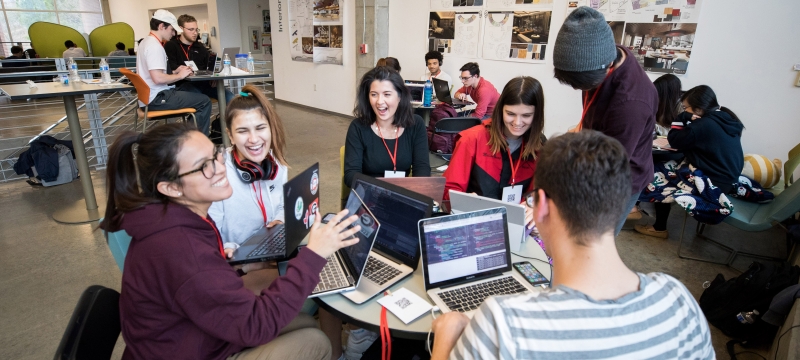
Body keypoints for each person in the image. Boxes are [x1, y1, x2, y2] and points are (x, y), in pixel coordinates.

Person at [429, 130, 715, 360]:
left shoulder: (503, 324)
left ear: (539, 206)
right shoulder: (680, 301)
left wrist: (446, 336)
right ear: (622, 206)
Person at [99, 122, 362, 360]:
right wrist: (314, 254)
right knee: (315, 342)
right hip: (193, 349)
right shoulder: (180, 247)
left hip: (194, 337)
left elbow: (204, 284)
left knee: (305, 322)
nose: (221, 168)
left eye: (216, 155)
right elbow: (255, 325)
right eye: (204, 166)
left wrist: (241, 268)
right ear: (171, 187)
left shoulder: (175, 218)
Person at [552, 6, 657, 235]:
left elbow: (609, 167)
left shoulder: (631, 105)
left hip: (621, 175)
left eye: (583, 85)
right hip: (601, 151)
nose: (578, 90)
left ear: (606, 68)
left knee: (596, 237)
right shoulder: (605, 53)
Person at [635, 85, 744, 238]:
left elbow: (674, 140)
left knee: (657, 173)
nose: (685, 111)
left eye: (686, 108)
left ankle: (658, 227)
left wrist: (682, 117)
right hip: (728, 179)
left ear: (698, 109)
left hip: (713, 183)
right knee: (669, 166)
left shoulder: (702, 125)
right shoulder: (726, 118)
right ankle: (639, 210)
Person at [444, 76, 544, 210]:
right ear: (500, 109)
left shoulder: (542, 148)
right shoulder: (471, 139)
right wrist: (464, 200)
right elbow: (448, 191)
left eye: (526, 116)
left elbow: (540, 195)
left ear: (536, 115)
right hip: (476, 220)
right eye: (510, 114)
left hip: (519, 225)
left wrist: (535, 210)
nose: (517, 123)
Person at [208, 85, 287, 250]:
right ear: (230, 136)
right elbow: (209, 233)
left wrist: (279, 220)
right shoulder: (218, 173)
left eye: (260, 128)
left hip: (272, 250)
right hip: (236, 260)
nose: (253, 139)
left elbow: (282, 204)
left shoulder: (276, 163)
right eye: (243, 131)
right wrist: (227, 248)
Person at [344, 66, 430, 186]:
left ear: (399, 97)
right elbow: (351, 174)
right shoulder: (358, 127)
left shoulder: (415, 124)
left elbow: (422, 169)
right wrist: (381, 191)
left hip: (403, 194)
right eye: (374, 94)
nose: (379, 101)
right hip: (367, 194)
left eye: (387, 94)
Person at [137, 9, 212, 134]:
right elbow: (158, 78)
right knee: (204, 101)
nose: (173, 33)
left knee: (197, 96)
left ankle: (186, 137)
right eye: (172, 29)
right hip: (158, 97)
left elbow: (154, 73)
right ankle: (191, 141)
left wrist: (175, 70)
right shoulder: (155, 47)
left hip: (148, 97)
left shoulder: (146, 42)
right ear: (162, 26)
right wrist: (180, 75)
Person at [165, 14, 234, 104]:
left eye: (196, 29)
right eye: (191, 29)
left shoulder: (200, 47)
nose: (195, 33)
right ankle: (195, 118)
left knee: (231, 97)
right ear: (181, 28)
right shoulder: (171, 45)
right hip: (183, 84)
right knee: (202, 99)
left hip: (203, 83)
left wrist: (213, 78)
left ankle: (223, 118)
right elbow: (170, 67)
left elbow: (208, 67)